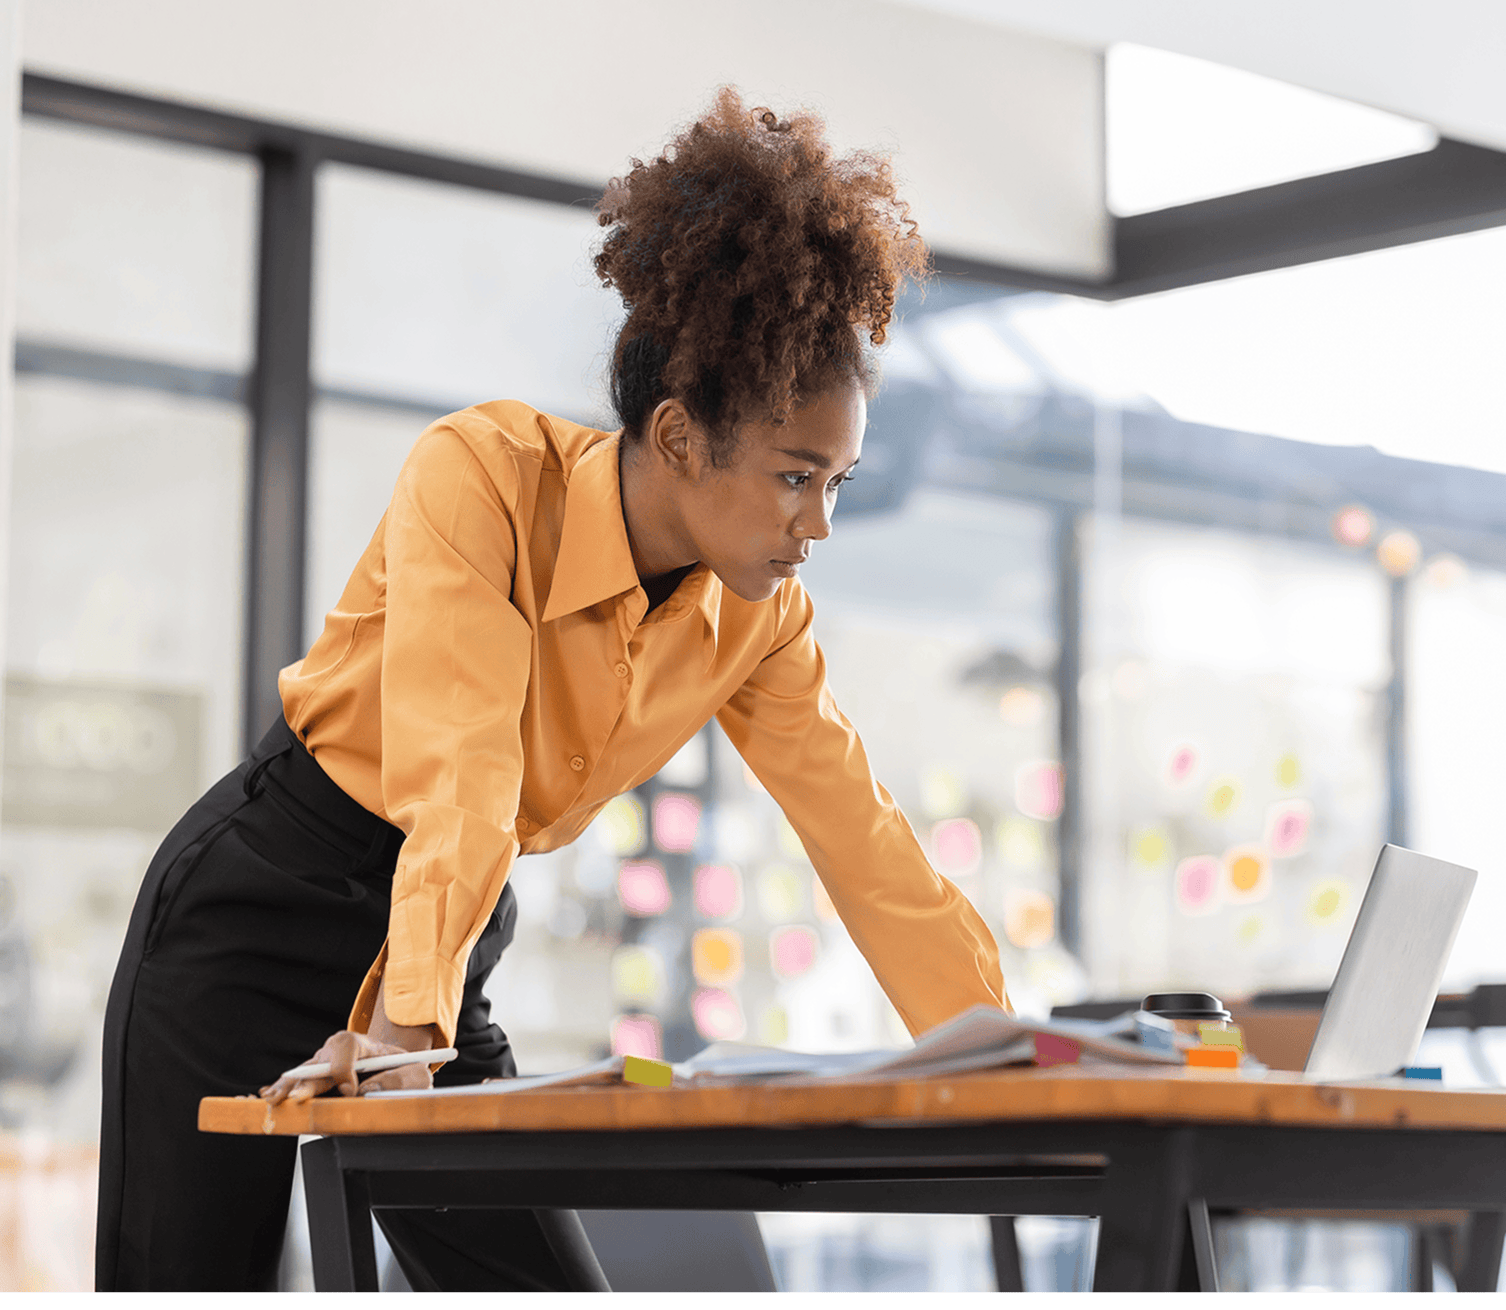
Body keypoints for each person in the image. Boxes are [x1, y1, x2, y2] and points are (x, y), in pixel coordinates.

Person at [96, 89, 1009, 1292]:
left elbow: (863, 835)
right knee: (185, 1282)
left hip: (447, 933)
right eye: (797, 477)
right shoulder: (480, 476)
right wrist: (408, 1031)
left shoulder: (762, 615)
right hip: (256, 910)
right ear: (681, 437)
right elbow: (465, 766)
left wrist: (1013, 1051)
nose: (819, 524)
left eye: (838, 479)